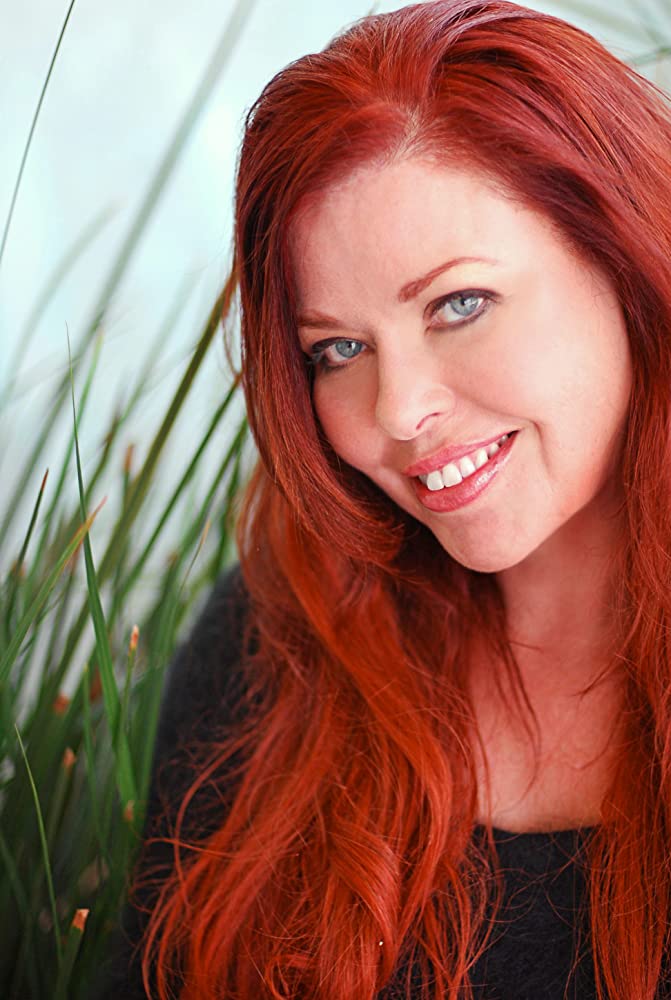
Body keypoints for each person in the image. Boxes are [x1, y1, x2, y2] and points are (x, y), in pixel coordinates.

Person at [95, 0, 671, 997]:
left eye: (458, 304)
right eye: (338, 350)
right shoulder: (277, 639)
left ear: (625, 262)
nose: (397, 410)